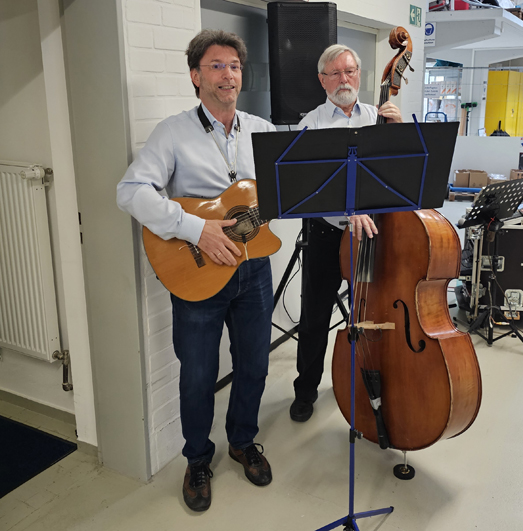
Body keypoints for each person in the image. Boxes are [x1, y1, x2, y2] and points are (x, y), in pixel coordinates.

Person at [117, 29, 275, 512]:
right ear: (195, 76)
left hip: (255, 270)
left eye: (234, 66)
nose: (228, 74)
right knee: (198, 374)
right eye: (216, 65)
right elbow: (131, 191)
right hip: (200, 274)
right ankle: (197, 459)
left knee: (254, 364)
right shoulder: (172, 131)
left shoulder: (261, 129)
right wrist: (194, 229)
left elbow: (288, 189)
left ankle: (243, 442)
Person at [290, 44, 403, 423]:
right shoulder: (310, 124)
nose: (345, 80)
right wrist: (343, 211)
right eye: (335, 73)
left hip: (369, 234)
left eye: (350, 71)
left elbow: (398, 174)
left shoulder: (378, 116)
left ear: (359, 75)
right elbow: (308, 188)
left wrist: (398, 132)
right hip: (325, 234)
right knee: (315, 315)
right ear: (323, 80)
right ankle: (306, 389)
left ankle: (370, 384)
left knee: (369, 312)